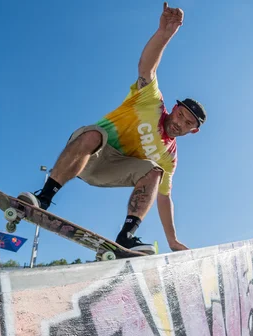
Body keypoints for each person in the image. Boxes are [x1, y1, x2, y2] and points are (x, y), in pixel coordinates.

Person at [18, 2, 206, 255]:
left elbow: (164, 198)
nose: (179, 123)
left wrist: (172, 240)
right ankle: (44, 198)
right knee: (95, 133)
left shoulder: (170, 156)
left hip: (110, 171)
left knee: (155, 171)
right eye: (180, 115)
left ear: (192, 131)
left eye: (187, 124)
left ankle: (126, 236)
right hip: (89, 152)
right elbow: (146, 67)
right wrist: (165, 34)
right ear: (174, 108)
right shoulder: (150, 102)